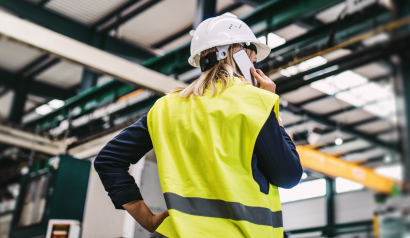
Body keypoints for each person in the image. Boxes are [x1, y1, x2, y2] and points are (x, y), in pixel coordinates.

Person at [94, 14, 303, 237]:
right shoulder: (253, 102)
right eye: (253, 60)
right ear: (240, 54)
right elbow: (288, 176)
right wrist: (270, 112)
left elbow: (108, 160)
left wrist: (147, 219)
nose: (254, 66)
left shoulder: (165, 108)